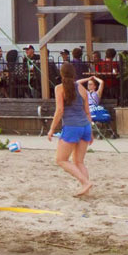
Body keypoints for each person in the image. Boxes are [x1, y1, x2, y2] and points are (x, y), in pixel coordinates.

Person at [47, 60, 94, 197]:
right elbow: (87, 112)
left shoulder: (59, 88)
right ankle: (86, 189)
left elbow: (60, 110)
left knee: (61, 160)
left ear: (61, 74)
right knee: (79, 161)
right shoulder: (81, 88)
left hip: (72, 127)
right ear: (74, 74)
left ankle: (85, 183)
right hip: (85, 126)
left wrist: (51, 129)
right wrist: (90, 132)